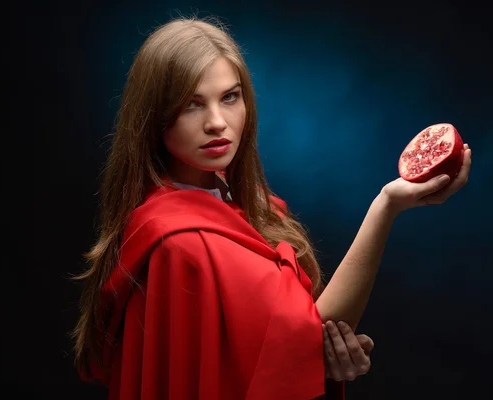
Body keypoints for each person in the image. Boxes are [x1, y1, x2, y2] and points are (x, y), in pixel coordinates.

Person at [72, 16, 471, 400]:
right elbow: (306, 338)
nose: (217, 122)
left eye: (229, 97)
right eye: (191, 104)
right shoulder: (182, 244)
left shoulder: (253, 207)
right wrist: (385, 207)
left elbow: (286, 349)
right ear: (153, 118)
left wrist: (326, 361)